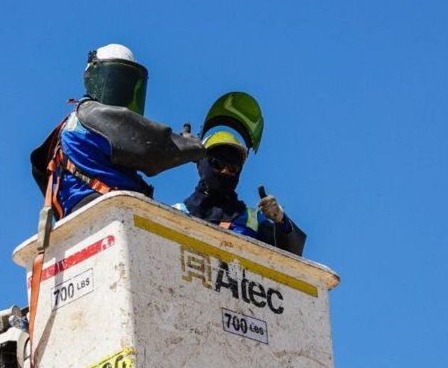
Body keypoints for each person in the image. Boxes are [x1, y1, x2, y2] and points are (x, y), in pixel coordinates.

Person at [30, 44, 206, 218]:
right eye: (117, 80)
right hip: (104, 210)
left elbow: (39, 169)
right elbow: (153, 149)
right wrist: (194, 146)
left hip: (82, 213)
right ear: (94, 77)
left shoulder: (70, 123)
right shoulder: (94, 113)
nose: (122, 89)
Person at [176, 130, 307, 256]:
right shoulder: (175, 212)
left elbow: (292, 259)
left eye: (233, 168)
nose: (225, 172)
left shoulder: (254, 219)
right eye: (217, 163)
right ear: (201, 165)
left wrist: (281, 219)